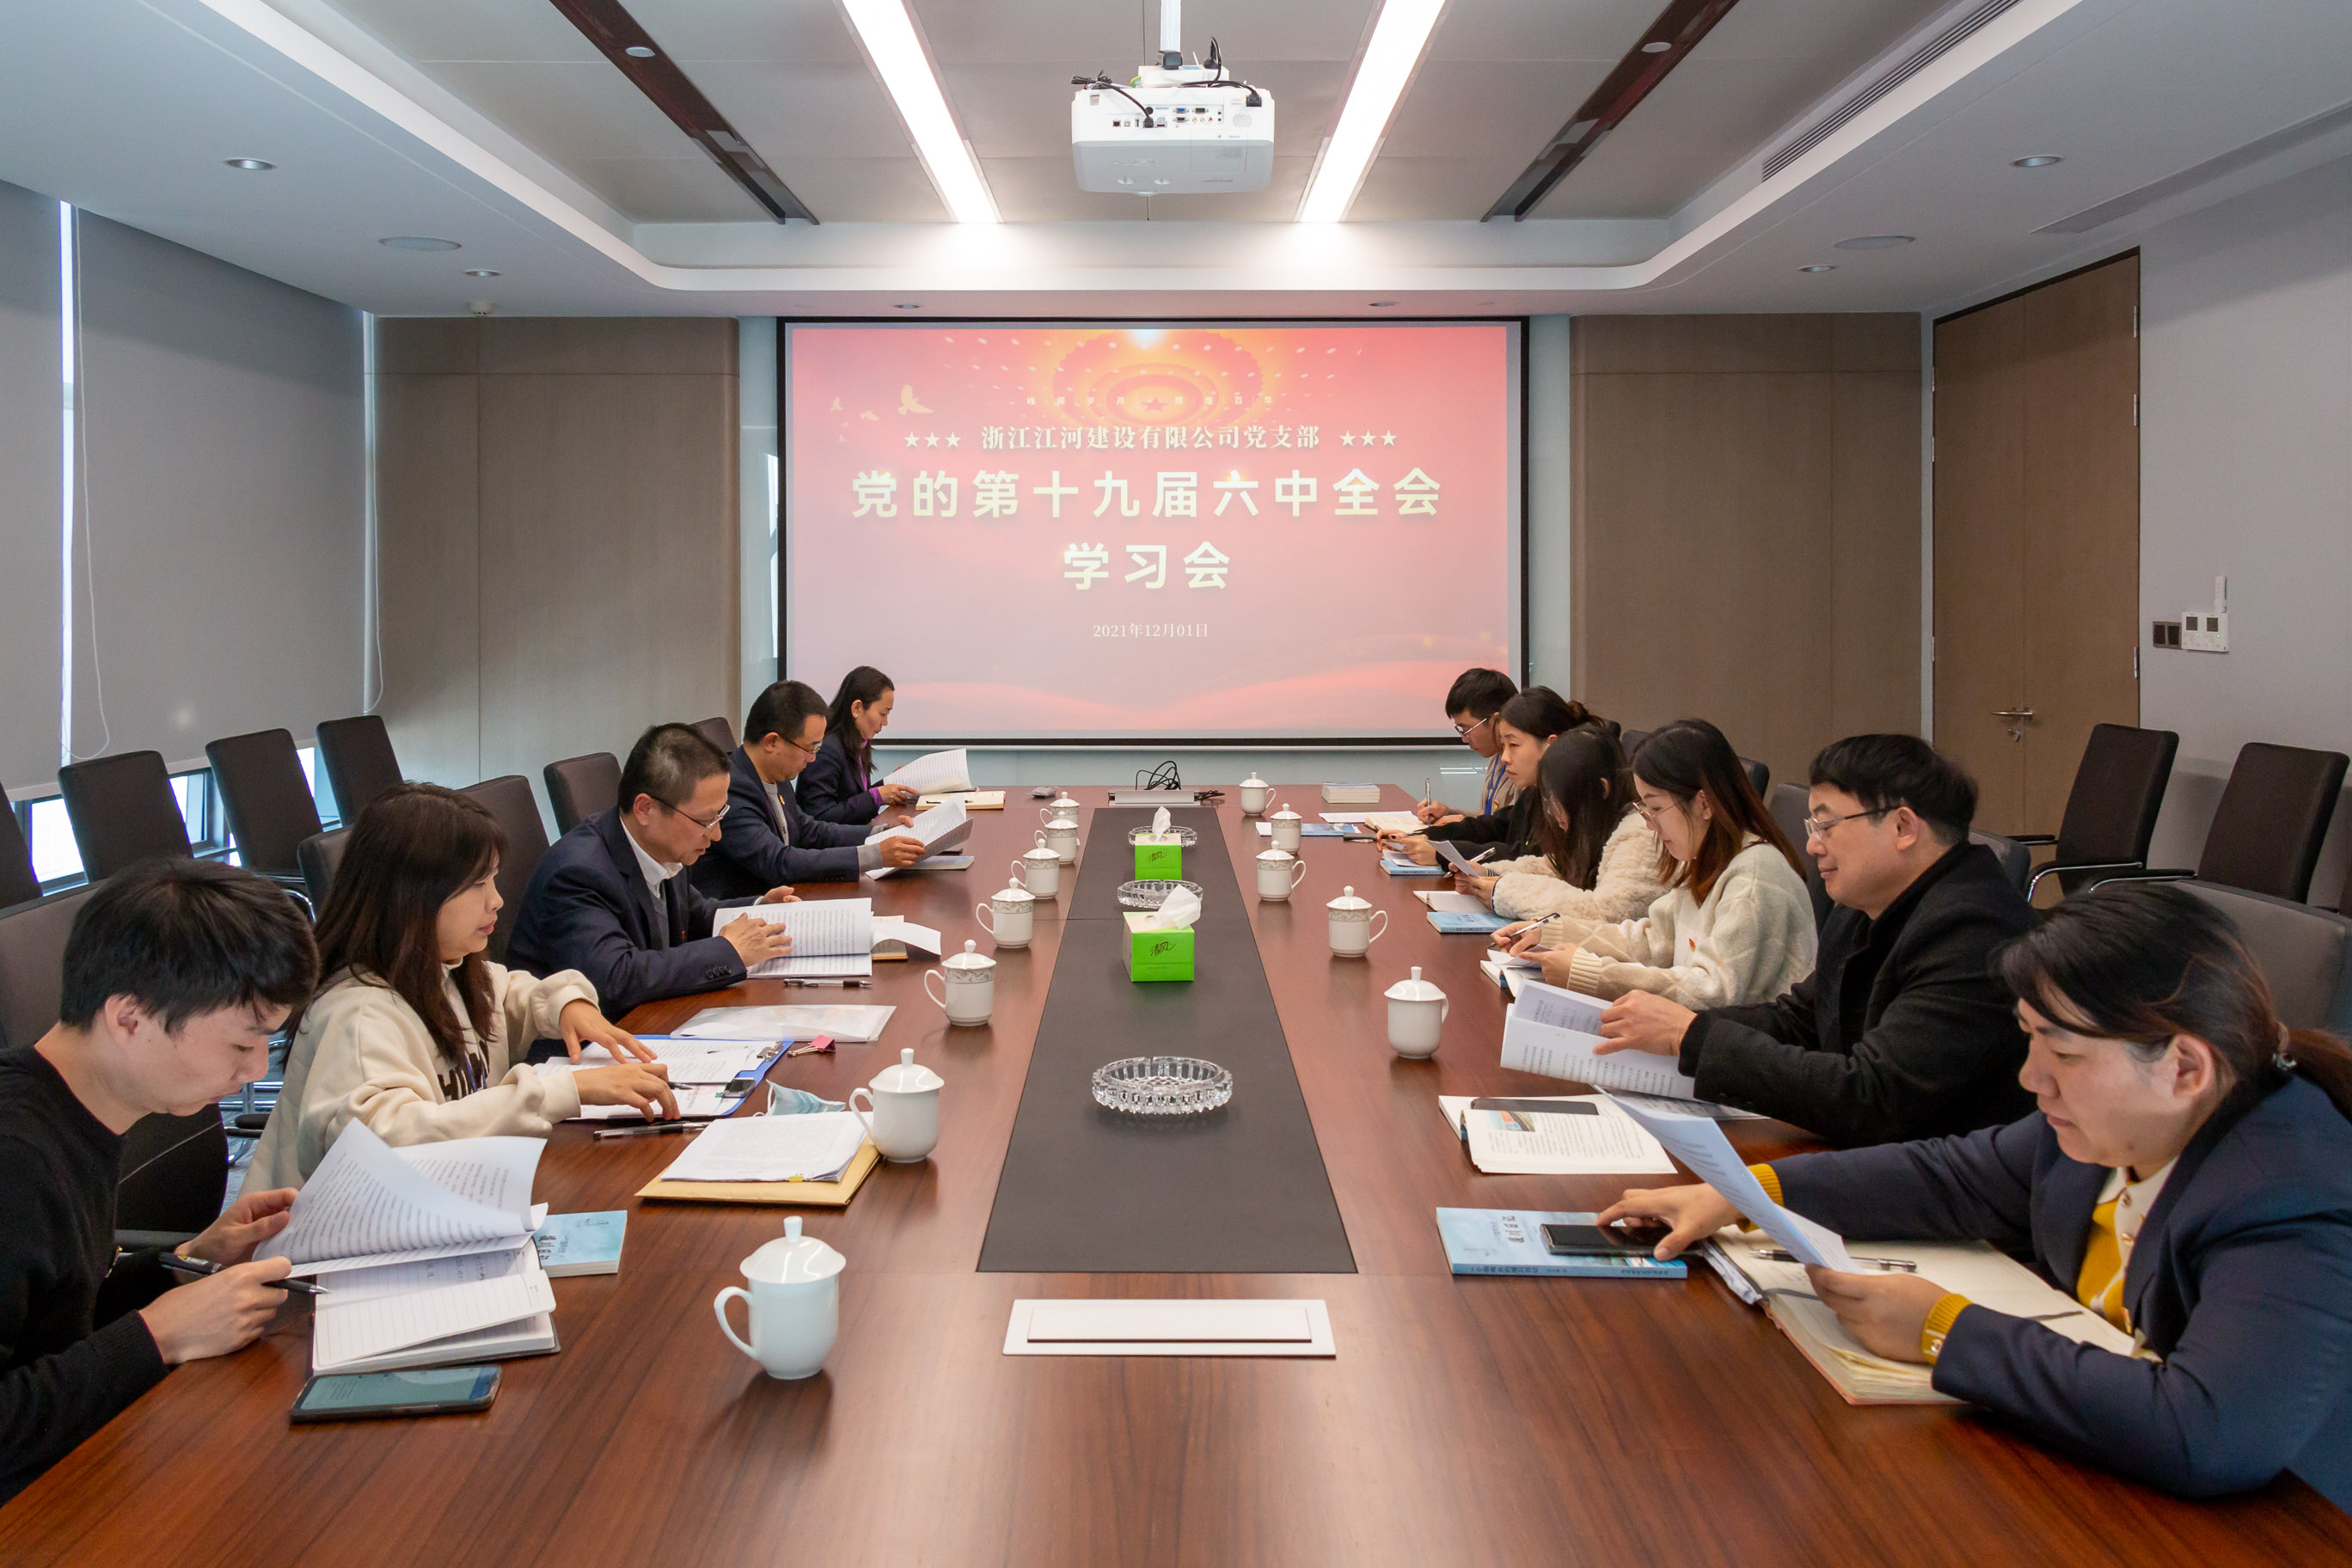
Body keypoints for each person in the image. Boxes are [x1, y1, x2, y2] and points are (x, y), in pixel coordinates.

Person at [1598, 884, 2352, 1508]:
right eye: (2030, 1038)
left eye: (2063, 1052)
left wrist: (1945, 1330)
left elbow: (2207, 1430)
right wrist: (1747, 1194)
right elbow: (1952, 1175)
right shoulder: (2110, 1127)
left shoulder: (2287, 1194)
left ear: (2185, 1068)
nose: (2031, 1078)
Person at [0, 860, 318, 1503]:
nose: (256, 1070)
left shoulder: (71, 1109)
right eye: (242, 1045)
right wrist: (158, 1335)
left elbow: (53, 1321)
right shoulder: (15, 1162)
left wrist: (184, 1265)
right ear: (129, 1019)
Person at [1592, 732, 2037, 1145]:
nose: (1813, 846)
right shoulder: (1865, 906)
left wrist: (1691, 1037)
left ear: (1903, 828)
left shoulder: (1975, 933)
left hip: (1944, 1181)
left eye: (1827, 826)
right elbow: (1802, 1019)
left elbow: (1871, 1097)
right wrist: (1682, 1030)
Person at [248, 786, 679, 1188]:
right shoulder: (358, 1014)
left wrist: (566, 1004)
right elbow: (386, 1144)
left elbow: (510, 993)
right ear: (411, 895)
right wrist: (564, 1091)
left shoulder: (444, 968)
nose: (497, 900)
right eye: (478, 885)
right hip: (338, 1236)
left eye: (493, 879)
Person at [1508, 719, 1814, 1010]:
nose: (1649, 825)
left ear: (1704, 803)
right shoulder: (1703, 859)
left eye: (1655, 807)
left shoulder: (1756, 876)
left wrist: (1592, 974)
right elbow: (1655, 940)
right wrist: (1551, 933)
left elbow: (1714, 991)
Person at [509, 724, 799, 1020]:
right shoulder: (578, 873)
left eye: (720, 815)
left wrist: (760, 907)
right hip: (595, 1038)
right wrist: (727, 951)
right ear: (645, 808)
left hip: (650, 1018)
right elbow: (615, 978)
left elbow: (694, 914)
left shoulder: (664, 844)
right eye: (706, 821)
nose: (716, 835)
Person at [693, 681, 928, 899]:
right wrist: (874, 855)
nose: (813, 759)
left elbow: (807, 830)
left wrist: (880, 832)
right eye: (810, 749)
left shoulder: (775, 773)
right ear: (772, 742)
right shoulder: (731, 790)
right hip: (747, 913)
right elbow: (779, 862)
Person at [1470, 727, 1668, 932]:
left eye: (1557, 800)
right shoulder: (1597, 825)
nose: (1551, 811)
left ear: (1601, 789)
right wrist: (1490, 873)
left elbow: (1605, 914)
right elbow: (1556, 867)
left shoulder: (1640, 835)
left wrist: (1504, 892)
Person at [1378, 687, 1587, 866]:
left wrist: (1442, 853)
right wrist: (1422, 836)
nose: (1504, 758)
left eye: (1514, 745)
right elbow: (1492, 827)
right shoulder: (1536, 794)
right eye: (1504, 746)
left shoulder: (1573, 803)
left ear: (1551, 745)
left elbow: (1525, 858)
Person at [796, 665, 921, 825]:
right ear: (857, 708)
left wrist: (889, 784)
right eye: (883, 714)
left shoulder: (857, 742)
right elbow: (820, 817)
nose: (885, 722)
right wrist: (876, 796)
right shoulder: (827, 750)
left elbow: (853, 798)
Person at [1412, 667, 1518, 826]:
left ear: (1497, 721)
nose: (1464, 739)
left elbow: (1512, 830)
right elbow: (1487, 816)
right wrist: (1448, 813)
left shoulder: (1523, 767)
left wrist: (1463, 825)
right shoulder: (1496, 757)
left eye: (1467, 729)